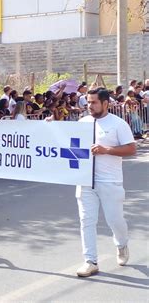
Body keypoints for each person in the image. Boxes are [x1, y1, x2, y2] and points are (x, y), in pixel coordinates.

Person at [75, 88, 136, 277]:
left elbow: (131, 149)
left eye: (93, 102)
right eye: (88, 102)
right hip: (85, 181)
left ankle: (122, 243)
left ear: (105, 104)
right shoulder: (82, 122)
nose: (89, 106)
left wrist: (106, 150)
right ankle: (90, 261)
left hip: (110, 181)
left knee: (114, 220)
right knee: (86, 221)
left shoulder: (118, 124)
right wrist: (50, 126)